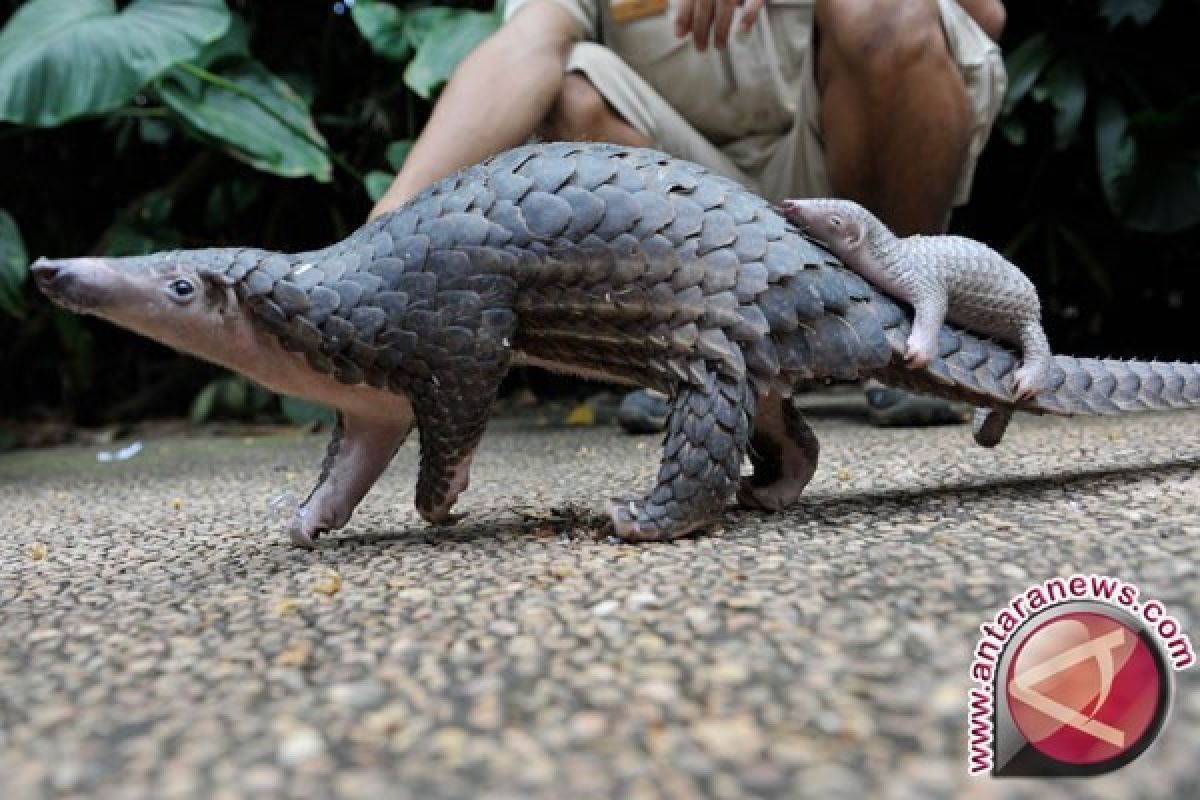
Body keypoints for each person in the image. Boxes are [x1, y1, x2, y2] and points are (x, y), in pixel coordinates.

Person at [370, 0, 1008, 432]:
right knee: (570, 87)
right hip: (692, 210)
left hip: (844, 190)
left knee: (888, 9)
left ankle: (907, 337)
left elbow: (987, 17)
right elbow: (523, 48)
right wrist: (386, 233)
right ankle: (699, 359)